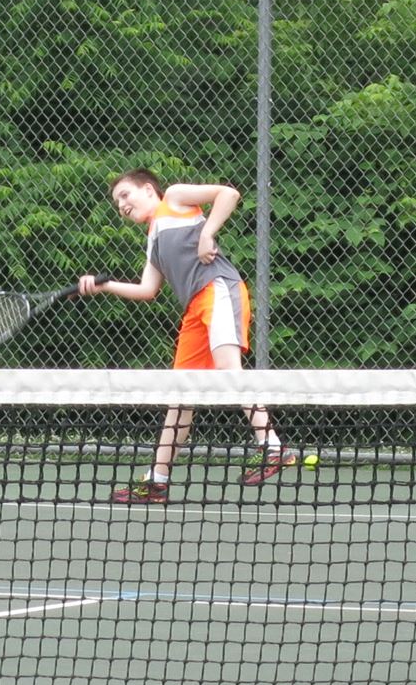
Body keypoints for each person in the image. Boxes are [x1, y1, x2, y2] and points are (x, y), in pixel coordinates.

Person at [82, 170, 293, 504]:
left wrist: (208, 233)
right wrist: (104, 285)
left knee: (228, 370)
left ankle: (273, 447)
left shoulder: (176, 198)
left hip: (218, 289)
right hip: (194, 308)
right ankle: (157, 481)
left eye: (125, 195)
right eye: (116, 202)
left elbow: (229, 193)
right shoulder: (154, 238)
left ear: (148, 189)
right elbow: (147, 289)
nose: (120, 205)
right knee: (180, 395)